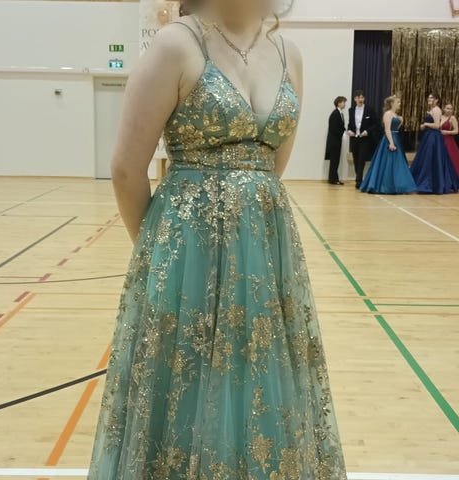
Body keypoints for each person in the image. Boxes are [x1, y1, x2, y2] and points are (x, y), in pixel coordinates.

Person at [87, 0, 347, 479]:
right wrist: (164, 257)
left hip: (265, 252)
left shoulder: (290, 54)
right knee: (186, 387)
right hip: (187, 255)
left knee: (256, 379)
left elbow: (272, 168)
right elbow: (126, 170)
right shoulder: (177, 44)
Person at [360, 95, 416, 194]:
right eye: (398, 102)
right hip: (389, 139)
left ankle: (396, 185)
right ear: (392, 103)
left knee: (397, 163)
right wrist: (391, 143)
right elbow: (387, 130)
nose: (399, 104)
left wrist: (400, 122)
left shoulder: (395, 115)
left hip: (396, 138)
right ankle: (385, 185)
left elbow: (396, 129)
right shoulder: (388, 114)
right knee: (388, 163)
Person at [411, 93, 459, 194]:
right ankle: (427, 182)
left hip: (434, 137)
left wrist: (425, 124)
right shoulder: (433, 110)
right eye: (428, 97)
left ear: (436, 100)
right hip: (430, 136)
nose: (429, 99)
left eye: (431, 98)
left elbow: (437, 125)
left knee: (431, 159)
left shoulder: (436, 110)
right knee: (427, 159)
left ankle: (430, 184)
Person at [347, 90, 380, 188]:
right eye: (358, 97)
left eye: (362, 97)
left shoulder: (369, 109)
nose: (360, 99)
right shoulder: (351, 110)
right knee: (356, 159)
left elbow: (376, 124)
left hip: (365, 139)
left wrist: (367, 131)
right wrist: (349, 130)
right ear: (355, 99)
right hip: (354, 138)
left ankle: (359, 181)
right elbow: (350, 124)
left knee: (361, 159)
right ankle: (359, 178)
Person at [325, 96, 347, 185]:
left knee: (336, 160)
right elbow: (333, 128)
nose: (345, 104)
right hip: (334, 141)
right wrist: (343, 133)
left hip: (337, 141)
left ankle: (334, 178)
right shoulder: (335, 114)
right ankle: (333, 179)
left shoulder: (340, 113)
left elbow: (341, 126)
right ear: (338, 103)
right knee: (334, 160)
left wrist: (344, 131)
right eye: (343, 102)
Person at [441, 103, 459, 176]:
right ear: (444, 109)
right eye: (447, 108)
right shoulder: (440, 117)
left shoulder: (452, 118)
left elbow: (456, 131)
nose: (449, 110)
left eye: (451, 109)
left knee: (450, 158)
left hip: (448, 141)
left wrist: (447, 132)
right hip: (439, 140)